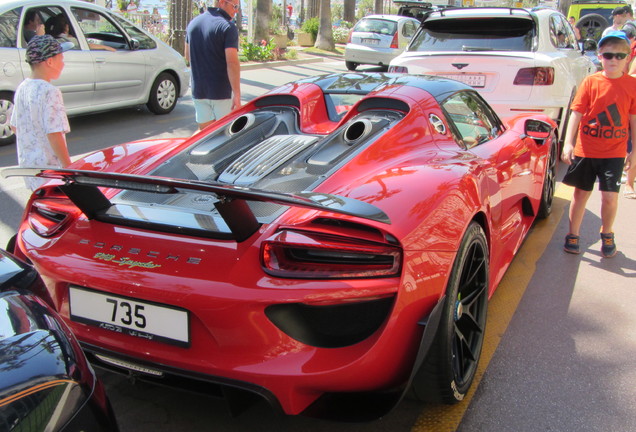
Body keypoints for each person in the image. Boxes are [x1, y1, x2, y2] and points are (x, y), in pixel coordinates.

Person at [561, 31, 636, 257]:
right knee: (580, 194)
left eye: (619, 56)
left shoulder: (632, 85)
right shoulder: (591, 82)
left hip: (614, 152)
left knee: (609, 196)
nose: (613, 60)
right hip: (586, 151)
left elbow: (633, 119)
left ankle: (608, 232)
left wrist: (634, 152)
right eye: (608, 55)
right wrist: (568, 143)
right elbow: (576, 113)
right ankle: (573, 234)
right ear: (600, 56)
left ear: (628, 58)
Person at [9, 35, 73, 191]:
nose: (63, 63)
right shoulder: (50, 92)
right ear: (49, 61)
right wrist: (69, 169)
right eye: (61, 58)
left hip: (29, 169)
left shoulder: (23, 87)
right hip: (50, 172)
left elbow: (14, 126)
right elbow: (54, 133)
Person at [185, 0, 241, 130]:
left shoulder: (193, 23)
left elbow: (187, 55)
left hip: (199, 91)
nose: (236, 10)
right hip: (221, 92)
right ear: (222, 2)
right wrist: (237, 94)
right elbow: (232, 62)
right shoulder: (227, 27)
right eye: (235, 6)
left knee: (205, 135)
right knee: (225, 136)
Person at [46, 14, 115, 52]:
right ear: (66, 26)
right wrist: (105, 47)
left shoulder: (51, 38)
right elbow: (87, 46)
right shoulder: (69, 40)